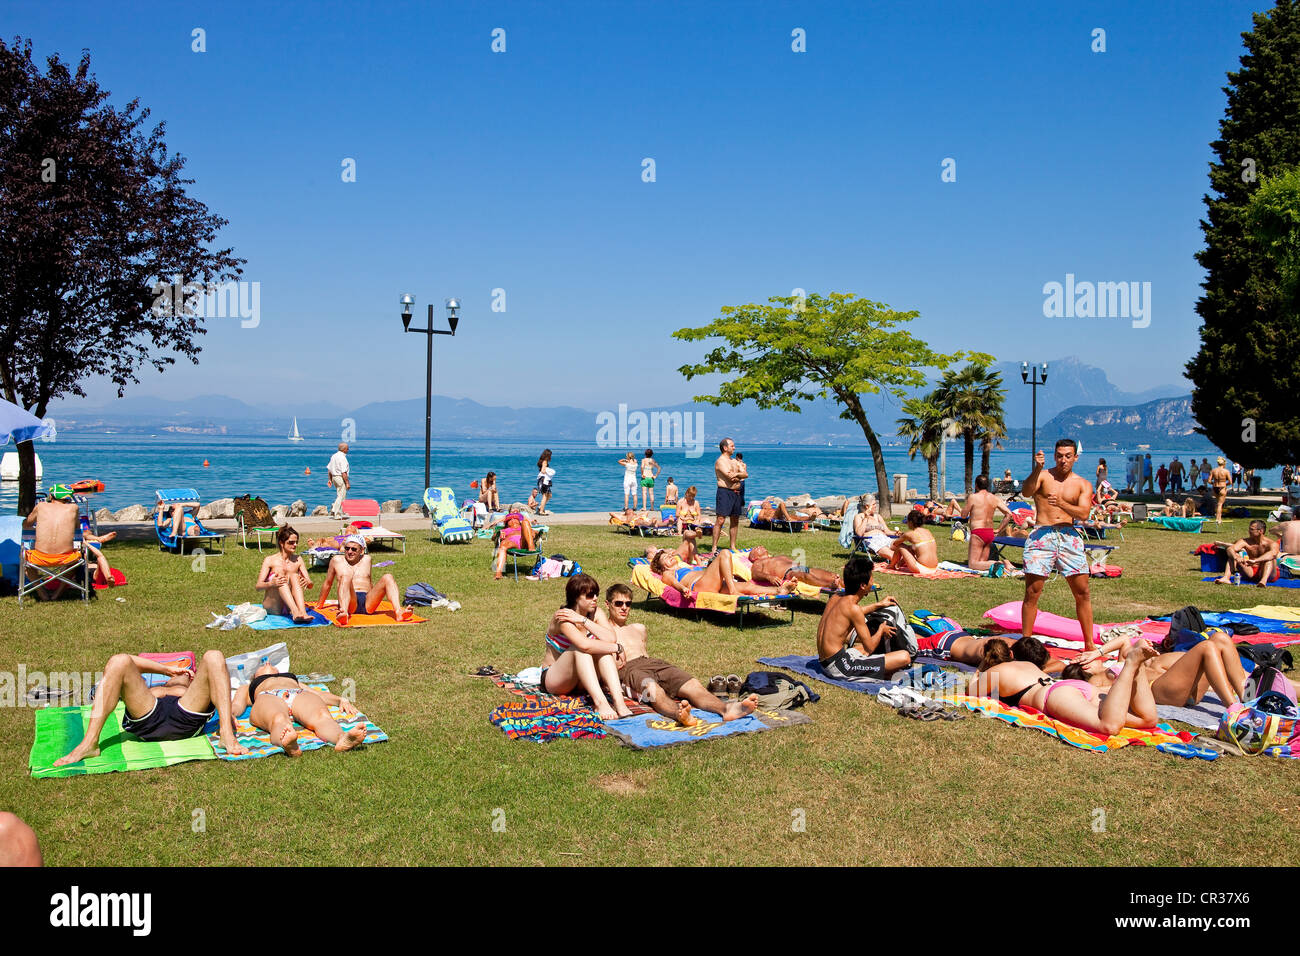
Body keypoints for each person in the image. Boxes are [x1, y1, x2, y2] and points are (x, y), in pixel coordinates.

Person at [597, 583, 759, 725]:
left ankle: (726, 709)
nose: (624, 608)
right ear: (608, 604)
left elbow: (645, 651)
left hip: (652, 663)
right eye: (619, 603)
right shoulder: (603, 632)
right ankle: (679, 714)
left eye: (628, 603)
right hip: (630, 670)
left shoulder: (639, 628)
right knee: (652, 689)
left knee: (692, 683)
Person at [54, 650, 248, 766]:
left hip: (186, 713)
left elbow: (220, 687)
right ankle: (89, 743)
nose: (185, 675)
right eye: (181, 672)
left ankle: (226, 735)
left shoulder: (191, 689)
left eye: (189, 673)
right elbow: (126, 659)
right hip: (148, 714)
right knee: (118, 661)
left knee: (214, 655)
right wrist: (166, 669)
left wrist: (227, 714)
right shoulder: (154, 688)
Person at [973, 638, 1159, 734]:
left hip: (1057, 695)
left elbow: (971, 693)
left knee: (1109, 725)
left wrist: (981, 668)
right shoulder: (1027, 665)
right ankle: (1139, 665)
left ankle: (1132, 663)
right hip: (1072, 687)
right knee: (1147, 721)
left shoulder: (994, 673)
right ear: (1011, 654)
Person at [1021, 439, 1096, 651]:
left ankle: (1089, 644)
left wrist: (1062, 503)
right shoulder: (1044, 476)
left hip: (1068, 534)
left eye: (1068, 456)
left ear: (1075, 458)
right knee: (1032, 591)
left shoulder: (1083, 484)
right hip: (1042, 533)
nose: (1063, 460)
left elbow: (1083, 514)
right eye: (1060, 455)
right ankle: (1025, 641)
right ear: (1055, 456)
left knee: (1082, 591)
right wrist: (1037, 468)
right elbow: (1027, 492)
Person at [1069, 628, 1245, 707]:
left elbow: (1123, 639)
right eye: (1084, 659)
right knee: (1206, 647)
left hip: (1177, 686)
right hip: (1158, 690)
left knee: (1220, 639)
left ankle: (1246, 698)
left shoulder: (1115, 664)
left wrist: (1096, 652)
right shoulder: (1095, 684)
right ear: (1084, 668)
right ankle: (1233, 709)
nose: (1086, 655)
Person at [541, 574, 634, 721]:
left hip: (582, 680)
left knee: (603, 652)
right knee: (580, 648)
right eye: (590, 595)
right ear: (576, 597)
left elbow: (611, 638)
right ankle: (600, 703)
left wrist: (583, 620)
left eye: (596, 593)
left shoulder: (595, 613)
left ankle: (619, 703)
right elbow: (584, 644)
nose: (595, 598)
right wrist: (617, 648)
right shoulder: (563, 617)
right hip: (557, 680)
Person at [230, 664, 366, 755]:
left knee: (321, 715)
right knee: (278, 719)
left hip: (297, 693)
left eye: (272, 664)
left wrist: (340, 700)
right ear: (255, 675)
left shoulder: (291, 679)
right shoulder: (247, 687)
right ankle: (288, 744)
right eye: (263, 665)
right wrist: (231, 714)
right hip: (267, 696)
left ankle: (342, 738)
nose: (267, 663)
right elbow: (237, 704)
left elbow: (319, 694)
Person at [815, 556, 914, 680]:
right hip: (840, 668)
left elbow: (851, 613)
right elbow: (870, 647)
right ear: (863, 585)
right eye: (872, 578)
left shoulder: (836, 597)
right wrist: (881, 630)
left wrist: (879, 604)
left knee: (865, 650)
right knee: (904, 657)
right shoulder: (853, 608)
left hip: (824, 662)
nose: (872, 581)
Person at [21, 485, 101, 599]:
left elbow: (26, 524)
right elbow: (77, 530)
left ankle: (42, 593)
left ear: (50, 496)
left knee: (26, 562)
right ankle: (56, 594)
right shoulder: (73, 508)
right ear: (68, 498)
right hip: (66, 557)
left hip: (39, 557)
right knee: (74, 563)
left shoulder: (40, 506)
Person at [315, 534, 413, 623]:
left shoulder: (366, 559)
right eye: (347, 548)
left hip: (367, 601)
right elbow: (328, 583)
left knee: (388, 577)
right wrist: (320, 605)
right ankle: (344, 613)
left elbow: (369, 583)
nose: (349, 551)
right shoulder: (336, 560)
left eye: (354, 549)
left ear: (361, 551)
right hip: (349, 601)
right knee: (346, 576)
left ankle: (398, 612)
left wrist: (376, 594)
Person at [649, 547, 795, 598]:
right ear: (662, 567)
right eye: (665, 559)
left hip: (710, 583)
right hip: (699, 586)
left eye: (669, 556)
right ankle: (732, 590)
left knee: (747, 586)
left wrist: (699, 565)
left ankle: (779, 590)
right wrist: (683, 589)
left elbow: (672, 552)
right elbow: (673, 583)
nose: (670, 557)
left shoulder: (684, 567)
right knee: (724, 553)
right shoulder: (667, 574)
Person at [255, 526, 314, 623]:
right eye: (291, 542)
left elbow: (310, 584)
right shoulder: (270, 560)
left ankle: (302, 613)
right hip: (274, 606)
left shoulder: (298, 559)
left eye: (296, 542)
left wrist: (307, 582)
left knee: (294, 576)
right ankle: (296, 612)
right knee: (279, 578)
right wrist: (271, 584)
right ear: (281, 543)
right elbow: (258, 586)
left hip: (290, 606)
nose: (295, 545)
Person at [961, 475, 1015, 573]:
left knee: (972, 564)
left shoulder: (973, 497)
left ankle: (1002, 562)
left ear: (976, 485)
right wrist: (999, 529)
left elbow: (964, 515)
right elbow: (1009, 514)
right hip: (989, 533)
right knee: (981, 563)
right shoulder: (994, 498)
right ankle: (998, 563)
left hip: (978, 532)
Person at [745, 545, 842, 590]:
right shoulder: (758, 562)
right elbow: (755, 574)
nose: (760, 546)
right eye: (756, 548)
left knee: (831, 575)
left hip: (801, 568)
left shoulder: (777, 557)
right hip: (790, 573)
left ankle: (847, 584)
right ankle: (829, 585)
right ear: (754, 557)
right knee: (804, 574)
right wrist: (769, 577)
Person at [1213, 520, 1279, 586]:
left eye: (1252, 529)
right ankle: (1226, 578)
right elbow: (1230, 549)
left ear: (1260, 531)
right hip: (1250, 571)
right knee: (1233, 555)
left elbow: (1273, 554)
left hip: (1268, 572)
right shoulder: (1245, 541)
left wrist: (1255, 560)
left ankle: (1263, 581)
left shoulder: (1271, 543)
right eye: (1249, 529)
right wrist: (1236, 557)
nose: (1249, 531)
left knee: (1270, 559)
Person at [710, 437, 748, 553]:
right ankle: (714, 546)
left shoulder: (734, 461)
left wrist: (736, 474)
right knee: (720, 520)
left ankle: (732, 546)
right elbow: (729, 477)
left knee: (735, 520)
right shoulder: (720, 461)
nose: (734, 448)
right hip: (725, 492)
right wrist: (738, 475)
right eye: (732, 446)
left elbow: (745, 474)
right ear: (725, 448)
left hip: (736, 493)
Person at [486, 508, 536, 580]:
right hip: (512, 544)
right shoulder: (504, 530)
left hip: (523, 542)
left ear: (519, 521)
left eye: (515, 519)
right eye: (510, 520)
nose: (513, 521)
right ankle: (498, 573)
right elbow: (493, 538)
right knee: (503, 544)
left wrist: (533, 533)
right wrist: (499, 533)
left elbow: (535, 533)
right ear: (506, 523)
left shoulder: (524, 528)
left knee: (525, 522)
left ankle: (531, 547)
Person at [887, 510, 939, 575]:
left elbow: (895, 544)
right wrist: (905, 537)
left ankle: (891, 566)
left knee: (901, 546)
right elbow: (919, 543)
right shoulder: (927, 531)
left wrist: (903, 536)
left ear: (911, 522)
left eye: (907, 521)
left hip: (922, 569)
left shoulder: (909, 534)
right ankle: (898, 564)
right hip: (934, 568)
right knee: (912, 548)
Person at [851, 493, 895, 559]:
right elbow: (859, 533)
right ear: (867, 506)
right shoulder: (859, 517)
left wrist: (897, 533)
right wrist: (866, 517)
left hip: (885, 538)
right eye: (874, 504)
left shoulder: (877, 516)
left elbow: (887, 531)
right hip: (872, 541)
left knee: (905, 549)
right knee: (893, 555)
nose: (875, 506)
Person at [327, 442, 350, 517]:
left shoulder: (334, 456)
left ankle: (335, 510)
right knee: (342, 495)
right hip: (340, 478)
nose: (348, 450)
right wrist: (347, 483)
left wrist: (330, 479)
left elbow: (329, 469)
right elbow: (344, 472)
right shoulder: (342, 458)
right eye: (347, 448)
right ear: (344, 449)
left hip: (334, 477)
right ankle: (337, 513)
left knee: (339, 495)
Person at [528, 449, 555, 515]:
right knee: (545, 495)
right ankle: (541, 511)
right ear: (548, 455)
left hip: (543, 480)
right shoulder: (545, 461)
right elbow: (543, 471)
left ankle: (540, 507)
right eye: (550, 455)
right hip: (544, 480)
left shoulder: (542, 461)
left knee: (549, 495)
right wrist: (549, 471)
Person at [1209, 456, 1232, 524]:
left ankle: (1218, 518)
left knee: (1218, 503)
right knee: (1220, 504)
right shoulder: (1226, 471)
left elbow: (1209, 481)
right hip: (1222, 487)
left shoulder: (1213, 470)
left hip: (1215, 487)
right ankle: (1218, 519)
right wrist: (1225, 484)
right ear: (1224, 464)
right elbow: (1230, 482)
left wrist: (1214, 483)